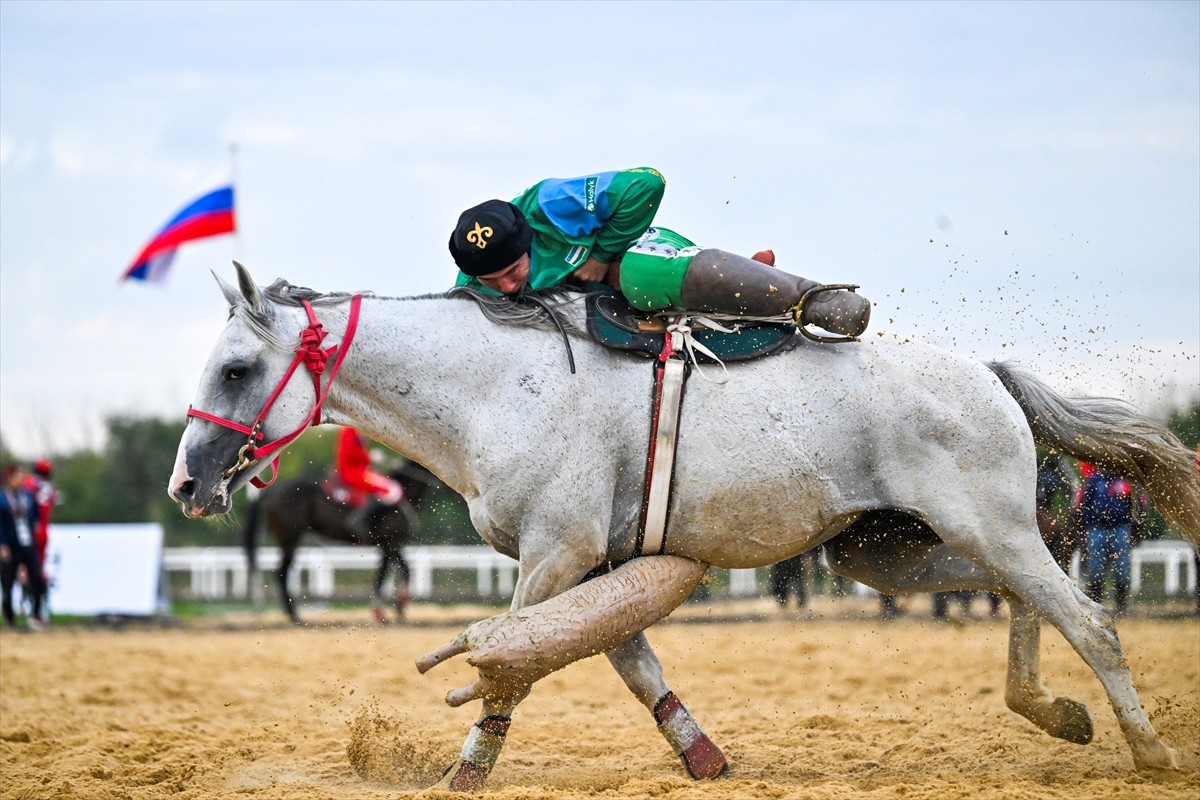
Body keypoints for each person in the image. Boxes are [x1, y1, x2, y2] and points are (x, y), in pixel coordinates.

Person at [448, 167, 871, 337]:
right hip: (584, 309)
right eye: (491, 281)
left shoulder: (550, 203)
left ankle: (814, 299)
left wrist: (601, 254)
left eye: (514, 269)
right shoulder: (470, 289)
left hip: (636, 253)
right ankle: (742, 283)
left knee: (630, 273)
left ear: (527, 242)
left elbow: (646, 182)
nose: (506, 285)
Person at [1077, 462, 1145, 615]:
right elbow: (1084, 505)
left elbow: (1138, 506)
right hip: (1097, 529)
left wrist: (1134, 529)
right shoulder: (1094, 480)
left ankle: (1122, 608)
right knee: (1095, 570)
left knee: (1122, 570)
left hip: (1121, 528)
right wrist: (1087, 527)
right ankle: (1095, 607)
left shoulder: (1126, 481)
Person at [0, 463, 47, 630]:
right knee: (7, 585)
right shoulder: (2, 498)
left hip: (27, 545)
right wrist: (2, 545)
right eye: (17, 477)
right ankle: (10, 620)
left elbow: (35, 516)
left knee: (37, 579)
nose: (20, 480)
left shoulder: (28, 496)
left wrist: (35, 530)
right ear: (9, 478)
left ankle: (35, 614)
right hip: (10, 546)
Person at [334, 427, 403, 540]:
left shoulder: (356, 429)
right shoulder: (348, 430)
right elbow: (347, 454)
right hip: (351, 472)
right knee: (388, 490)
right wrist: (369, 456)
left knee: (391, 487)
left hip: (361, 471)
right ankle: (357, 520)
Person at [24, 459, 56, 612]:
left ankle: (33, 607)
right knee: (39, 570)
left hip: (31, 531)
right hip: (43, 530)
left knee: (30, 571)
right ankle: (38, 609)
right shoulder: (49, 488)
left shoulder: (29, 484)